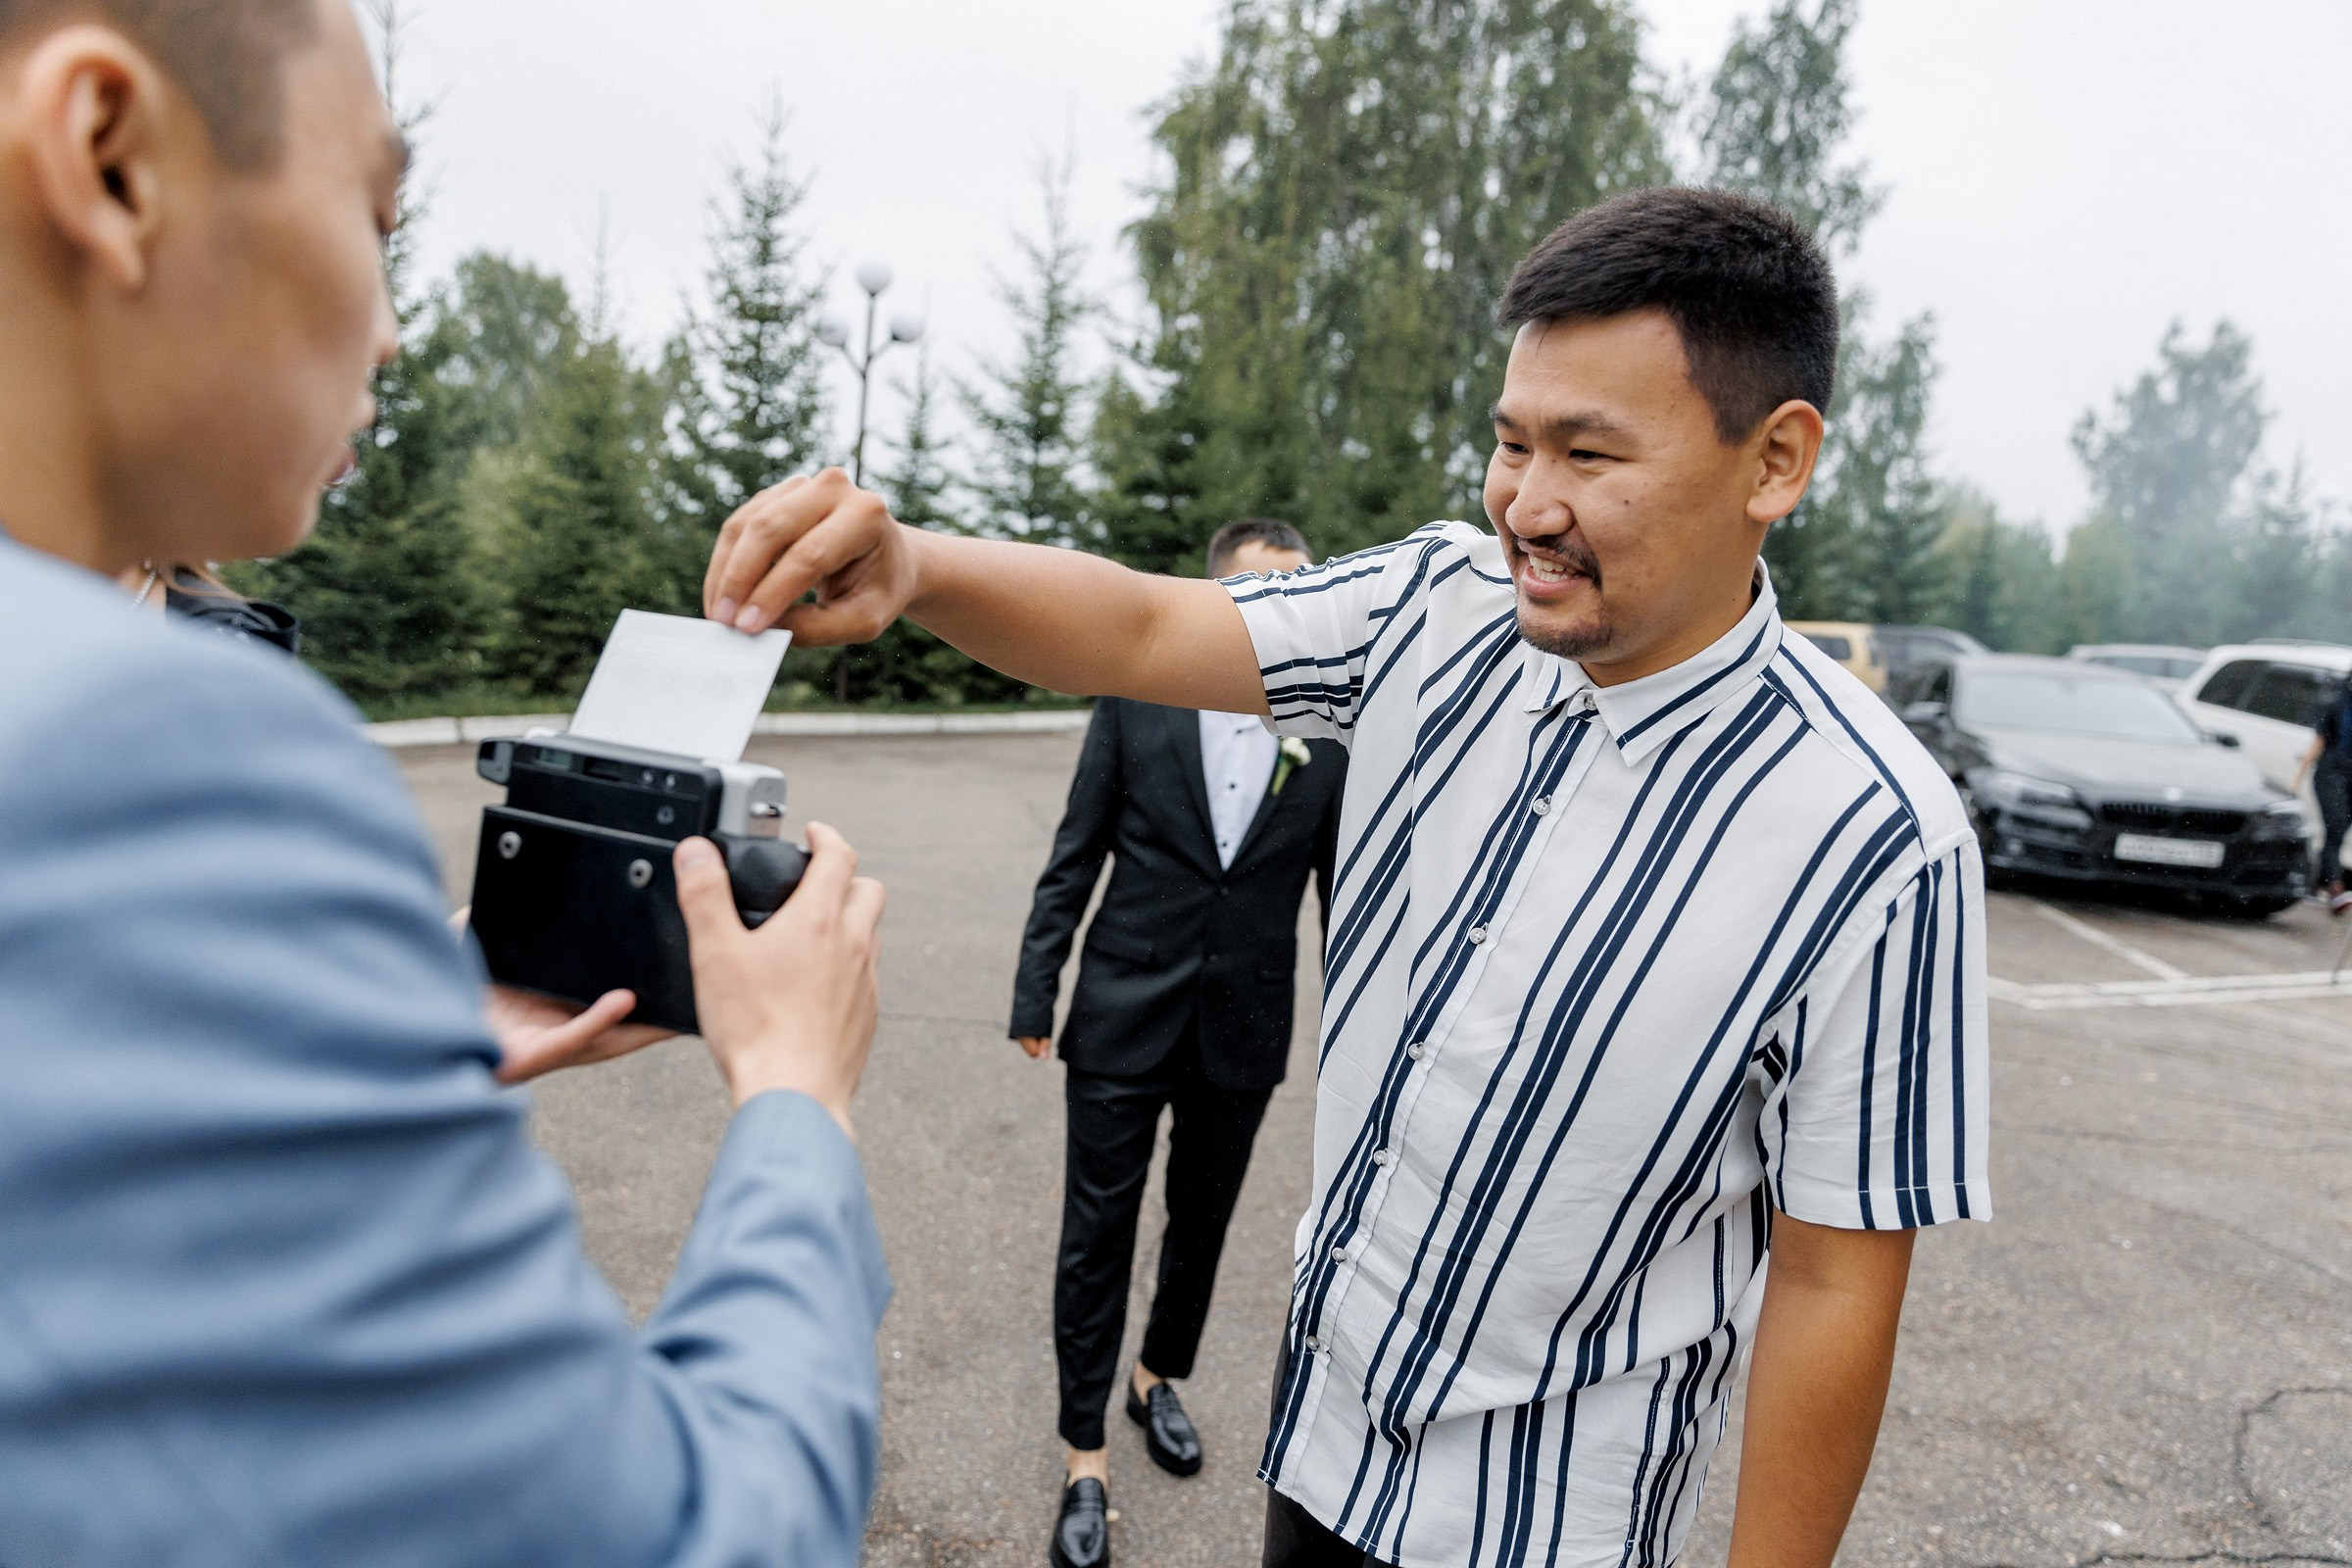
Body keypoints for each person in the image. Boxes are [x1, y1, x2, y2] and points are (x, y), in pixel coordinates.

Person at [705, 186, 1991, 1568]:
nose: (1527, 505)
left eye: (1590, 453)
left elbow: (1834, 1283)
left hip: (1547, 1531)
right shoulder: (1433, 611)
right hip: (1317, 1458)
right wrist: (912, 565)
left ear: (1775, 461)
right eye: (1509, 442)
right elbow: (1146, 625)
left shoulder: (1879, 839)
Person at [0, 4, 893, 1564]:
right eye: (373, 214)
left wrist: (339, 1077)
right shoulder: (159, 750)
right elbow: (680, 1537)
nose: (393, 326)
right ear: (106, 158)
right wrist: (797, 1104)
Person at [1012, 518, 1348, 1568]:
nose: (1274, 617)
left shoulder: (1330, 737)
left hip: (1244, 1027)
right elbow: (1075, 852)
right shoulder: (1137, 700)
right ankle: (1084, 1455)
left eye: (1297, 595)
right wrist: (1038, 984)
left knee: (1200, 1224)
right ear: (1213, 602)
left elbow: (1351, 902)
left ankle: (1158, 1375)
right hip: (1121, 1012)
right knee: (1097, 1230)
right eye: (1254, 595)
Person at [2291, 670, 2352, 913]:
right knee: (2335, 826)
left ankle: (2317, 881)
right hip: (2330, 774)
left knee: (2336, 835)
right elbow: (2319, 742)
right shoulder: (2336, 704)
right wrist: (2297, 778)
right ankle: (2336, 888)